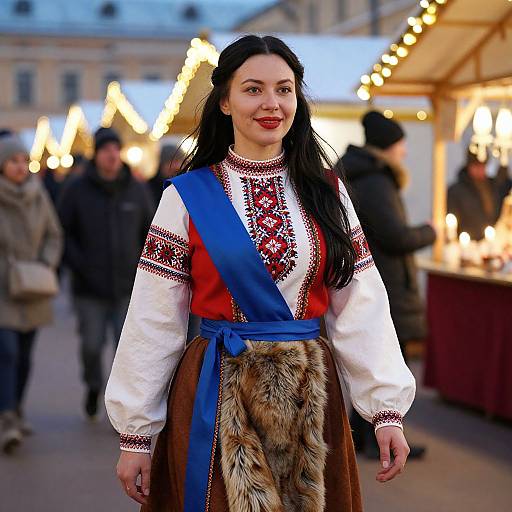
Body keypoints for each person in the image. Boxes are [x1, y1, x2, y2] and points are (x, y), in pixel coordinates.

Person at [105, 36, 415, 511]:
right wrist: (136, 435)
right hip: (216, 391)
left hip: (311, 396)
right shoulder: (187, 197)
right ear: (225, 101)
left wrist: (385, 409)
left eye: (284, 89)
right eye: (253, 89)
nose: (271, 104)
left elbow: (360, 302)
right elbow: (153, 317)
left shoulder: (327, 191)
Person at [338, 110, 436, 461]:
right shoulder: (376, 181)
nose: (405, 152)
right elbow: (393, 236)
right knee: (386, 361)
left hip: (381, 278)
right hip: (386, 283)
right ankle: (387, 440)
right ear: (387, 147)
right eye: (400, 144)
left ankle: (365, 437)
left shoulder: (364, 176)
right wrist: (429, 231)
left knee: (372, 360)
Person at [58, 127, 154, 421]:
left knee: (124, 353)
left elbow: (149, 232)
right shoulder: (76, 190)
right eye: (105, 149)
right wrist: (79, 265)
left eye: (116, 148)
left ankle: (120, 410)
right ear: (96, 154)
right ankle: (92, 385)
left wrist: (143, 269)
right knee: (91, 345)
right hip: (89, 289)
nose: (112, 154)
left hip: (126, 286)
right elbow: (63, 233)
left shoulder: (135, 189)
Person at [0, 134, 62, 453]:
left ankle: (17, 408)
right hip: (3, 290)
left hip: (34, 286)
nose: (20, 167)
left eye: (24, 161)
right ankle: (6, 417)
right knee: (7, 352)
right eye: (13, 161)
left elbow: (54, 235)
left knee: (24, 356)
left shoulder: (38, 195)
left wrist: (45, 263)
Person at [448, 149, 503, 240]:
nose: (480, 170)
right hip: (468, 245)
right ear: (469, 166)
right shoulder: (456, 191)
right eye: (476, 166)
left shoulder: (493, 185)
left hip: (492, 242)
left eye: (483, 166)